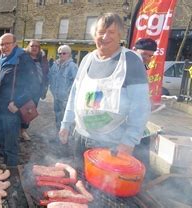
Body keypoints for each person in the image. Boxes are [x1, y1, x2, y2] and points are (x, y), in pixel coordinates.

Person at [59, 13, 150, 169]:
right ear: (94, 34)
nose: (105, 36)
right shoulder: (87, 59)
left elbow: (140, 106)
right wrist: (65, 124)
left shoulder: (130, 60)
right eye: (101, 32)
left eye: (111, 32)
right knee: (80, 182)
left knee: (103, 191)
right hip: (80, 138)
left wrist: (129, 141)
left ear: (120, 35)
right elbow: (75, 95)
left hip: (112, 144)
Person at [0, 33, 40, 166]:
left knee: (11, 145)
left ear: (14, 44)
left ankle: (12, 171)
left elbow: (34, 85)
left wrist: (17, 103)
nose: (4, 47)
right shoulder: (0, 58)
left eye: (7, 44)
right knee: (2, 143)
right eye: (1, 44)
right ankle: (5, 166)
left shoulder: (23, 60)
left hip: (12, 110)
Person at [19, 39, 48, 141]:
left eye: (36, 46)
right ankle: (20, 131)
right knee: (22, 111)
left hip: (37, 91)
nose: (34, 48)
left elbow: (45, 75)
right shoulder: (24, 59)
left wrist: (44, 89)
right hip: (25, 91)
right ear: (28, 47)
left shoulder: (41, 59)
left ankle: (23, 130)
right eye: (32, 46)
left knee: (30, 112)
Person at [48, 45, 78, 133]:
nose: (61, 55)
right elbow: (50, 77)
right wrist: (52, 90)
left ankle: (66, 138)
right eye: (59, 53)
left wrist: (68, 93)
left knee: (66, 119)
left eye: (63, 53)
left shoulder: (72, 66)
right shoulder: (55, 65)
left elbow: (76, 82)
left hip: (66, 99)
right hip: (56, 97)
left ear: (69, 54)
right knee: (57, 117)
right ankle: (58, 136)